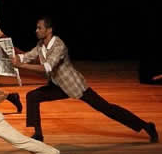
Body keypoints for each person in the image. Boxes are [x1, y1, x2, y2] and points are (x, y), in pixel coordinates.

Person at [13, 17, 157, 143]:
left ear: (49, 30)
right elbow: (28, 56)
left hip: (75, 86)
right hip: (58, 86)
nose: (36, 30)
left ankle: (146, 126)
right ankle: (38, 134)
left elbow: (47, 67)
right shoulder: (40, 45)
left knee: (107, 108)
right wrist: (14, 58)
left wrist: (22, 66)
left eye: (39, 28)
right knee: (33, 96)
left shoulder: (59, 45)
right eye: (37, 27)